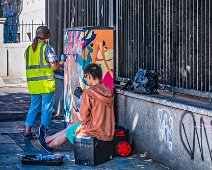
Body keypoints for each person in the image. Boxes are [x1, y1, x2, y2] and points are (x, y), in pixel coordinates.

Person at [39, 63, 115, 152]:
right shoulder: (107, 90)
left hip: (96, 131)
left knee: (69, 131)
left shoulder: (89, 93)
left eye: (85, 77)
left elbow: (83, 118)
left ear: (89, 76)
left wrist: (77, 111)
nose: (85, 80)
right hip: (108, 131)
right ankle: (46, 140)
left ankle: (49, 145)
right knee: (72, 126)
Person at [24, 26, 66, 139]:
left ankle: (27, 132)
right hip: (46, 84)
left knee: (33, 107)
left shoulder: (28, 50)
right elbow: (54, 67)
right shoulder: (47, 48)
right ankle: (44, 133)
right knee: (46, 109)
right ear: (48, 36)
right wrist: (61, 63)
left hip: (33, 85)